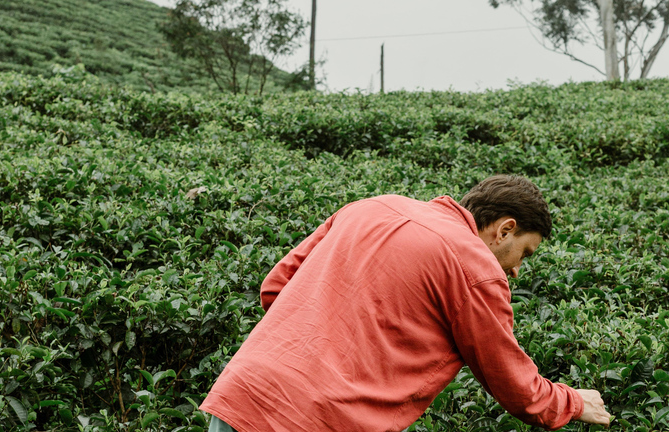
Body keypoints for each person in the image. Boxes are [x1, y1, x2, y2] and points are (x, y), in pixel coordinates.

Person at [199, 175, 611, 431]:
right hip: (321, 420)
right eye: (525, 253)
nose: (518, 270)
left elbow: (275, 287)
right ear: (505, 229)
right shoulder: (476, 269)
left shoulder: (372, 207)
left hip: (244, 394)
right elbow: (514, 384)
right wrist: (574, 402)